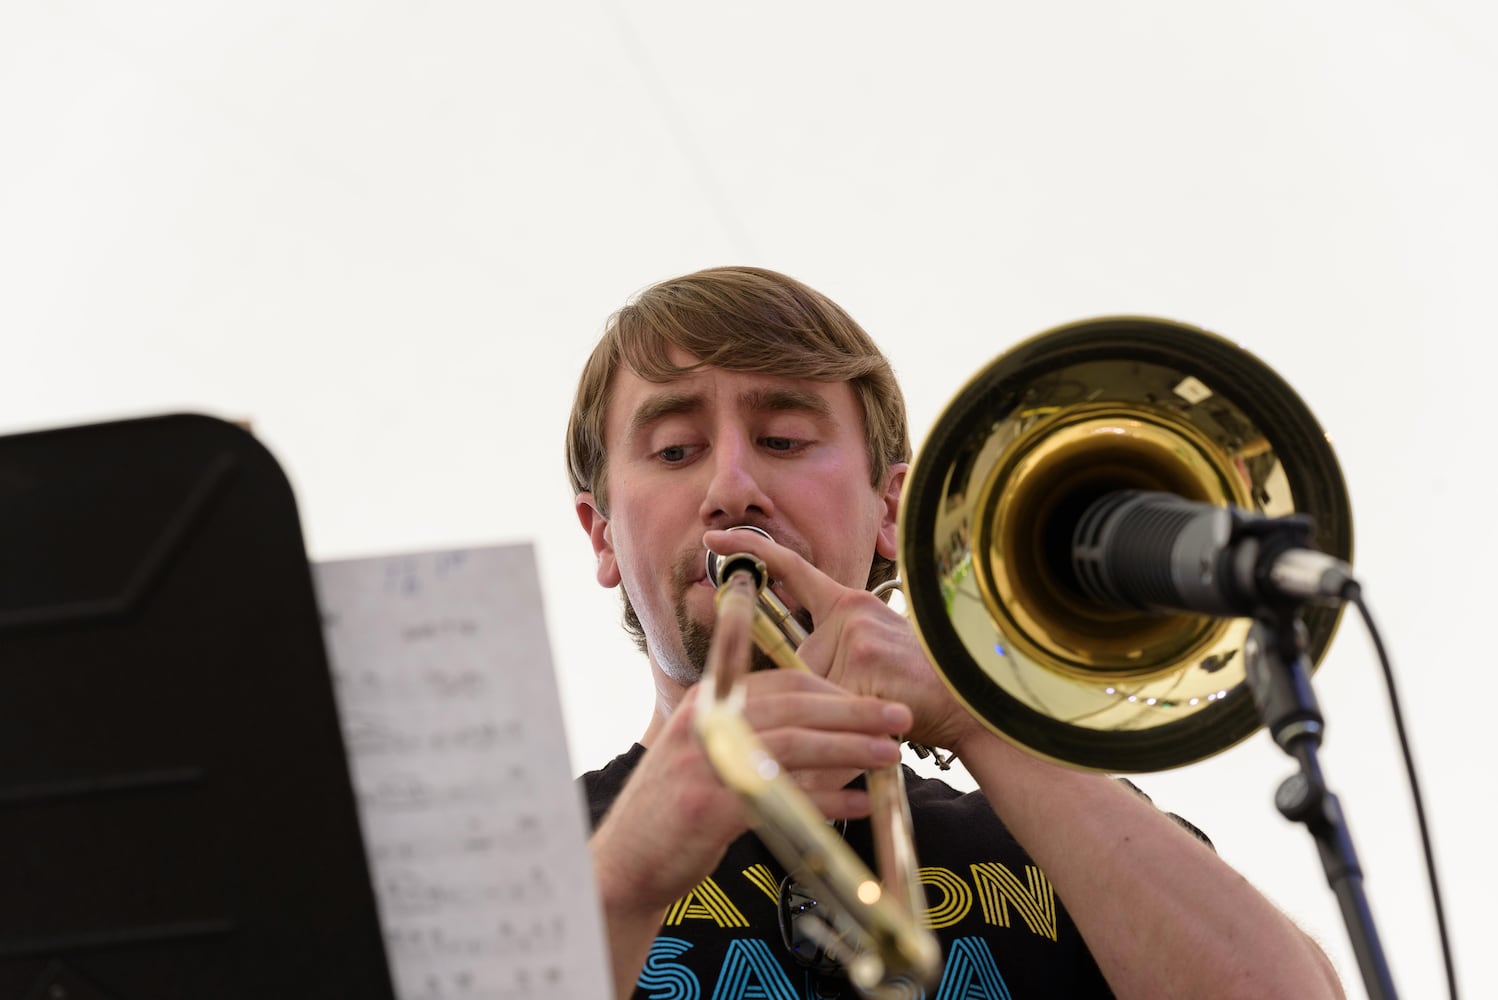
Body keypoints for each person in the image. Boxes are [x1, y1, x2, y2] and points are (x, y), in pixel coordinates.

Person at [565, 265, 1345, 999]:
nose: (732, 487)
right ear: (602, 536)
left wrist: (981, 719)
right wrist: (626, 873)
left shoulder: (1060, 836)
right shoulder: (528, 855)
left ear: (891, 510)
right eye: (674, 450)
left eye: (783, 441)